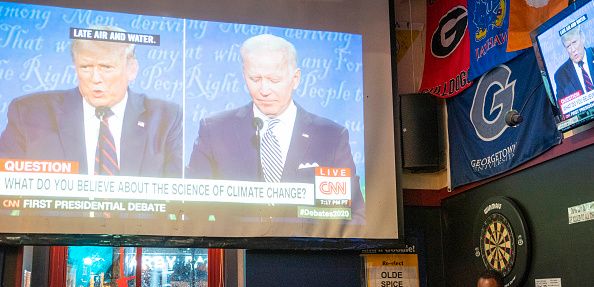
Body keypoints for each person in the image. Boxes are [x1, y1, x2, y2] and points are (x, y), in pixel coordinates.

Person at [186, 33, 364, 218]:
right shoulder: (214, 130)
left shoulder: (331, 136)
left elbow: (355, 215)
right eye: (255, 79)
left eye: (274, 80)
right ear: (244, 75)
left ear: (295, 79)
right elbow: (192, 211)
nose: (264, 90)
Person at [0, 26, 183, 178]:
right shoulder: (29, 113)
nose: (96, 78)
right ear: (75, 68)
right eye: (86, 67)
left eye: (106, 67)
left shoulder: (165, 118)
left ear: (132, 69)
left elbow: (177, 199)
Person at [554, 26, 594, 104]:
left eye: (574, 42)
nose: (573, 50)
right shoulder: (560, 75)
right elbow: (562, 109)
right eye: (568, 46)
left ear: (582, 38)